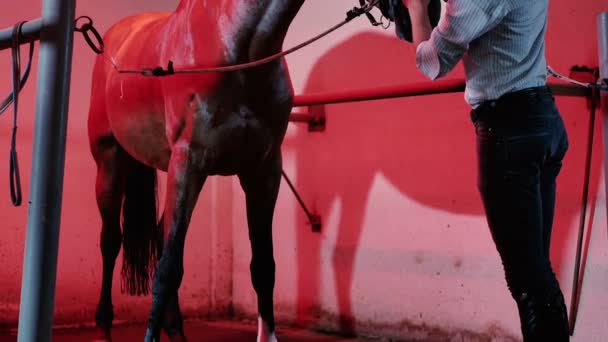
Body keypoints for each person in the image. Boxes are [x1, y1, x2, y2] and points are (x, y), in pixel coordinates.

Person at [399, 0, 571, 340]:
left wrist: (416, 10)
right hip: (543, 121)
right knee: (537, 272)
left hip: (509, 132)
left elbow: (432, 61)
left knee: (526, 280)